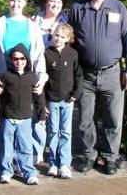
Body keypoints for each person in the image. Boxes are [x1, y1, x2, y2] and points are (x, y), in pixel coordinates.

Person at [69, 0, 127, 175]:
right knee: (85, 119)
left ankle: (110, 157)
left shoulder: (118, 8)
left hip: (112, 74)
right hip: (86, 75)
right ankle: (89, 155)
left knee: (113, 119)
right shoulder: (78, 8)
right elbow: (69, 40)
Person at [0, 0, 47, 176]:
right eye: (12, 0)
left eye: (19, 1)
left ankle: (22, 163)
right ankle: (1, 164)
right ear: (8, 1)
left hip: (25, 80)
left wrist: (42, 77)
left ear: (24, 3)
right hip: (3, 79)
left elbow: (38, 55)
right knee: (0, 123)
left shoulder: (32, 26)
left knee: (24, 122)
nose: (15, 4)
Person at [0, 44, 46, 185]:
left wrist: (41, 115)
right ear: (11, 59)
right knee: (6, 146)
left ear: (27, 59)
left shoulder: (32, 77)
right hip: (8, 117)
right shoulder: (5, 76)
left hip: (26, 118)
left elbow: (39, 97)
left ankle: (29, 173)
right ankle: (6, 171)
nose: (19, 61)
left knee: (25, 147)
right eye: (15, 58)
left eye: (22, 58)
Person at [32, 0, 68, 164]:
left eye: (59, 2)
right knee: (39, 110)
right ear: (46, 2)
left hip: (56, 73)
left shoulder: (65, 22)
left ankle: (56, 153)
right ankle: (37, 151)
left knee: (55, 115)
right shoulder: (34, 21)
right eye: (52, 1)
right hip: (37, 71)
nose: (55, 4)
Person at [45, 23, 83, 179]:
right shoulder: (46, 54)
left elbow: (78, 75)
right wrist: (42, 101)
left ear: (68, 39)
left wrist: (76, 93)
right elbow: (42, 79)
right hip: (52, 100)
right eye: (56, 35)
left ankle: (65, 164)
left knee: (66, 132)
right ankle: (53, 163)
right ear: (52, 35)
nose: (58, 38)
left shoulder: (72, 54)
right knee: (53, 131)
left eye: (62, 36)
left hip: (68, 100)